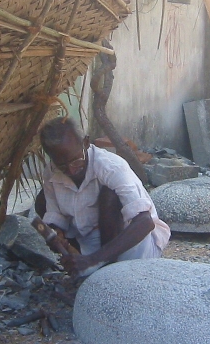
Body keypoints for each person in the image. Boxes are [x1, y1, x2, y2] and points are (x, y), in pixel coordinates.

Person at [35, 117, 170, 276]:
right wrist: (56, 233)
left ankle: (106, 271)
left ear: (85, 143)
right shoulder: (52, 172)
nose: (71, 171)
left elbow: (144, 222)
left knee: (109, 196)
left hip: (133, 244)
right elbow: (55, 214)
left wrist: (93, 260)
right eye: (62, 165)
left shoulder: (111, 166)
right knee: (41, 200)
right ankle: (87, 267)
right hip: (90, 244)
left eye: (76, 161)